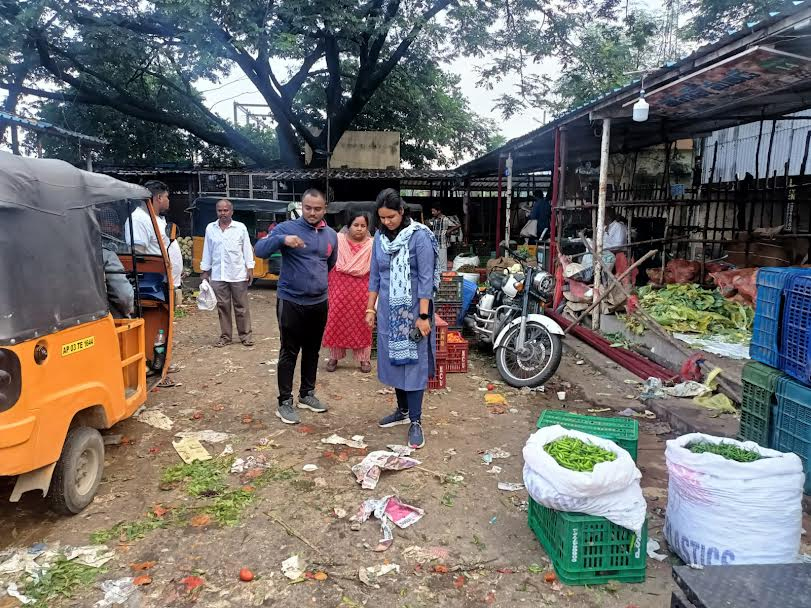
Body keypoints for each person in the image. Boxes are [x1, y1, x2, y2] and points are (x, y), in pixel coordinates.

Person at [255, 189, 337, 425]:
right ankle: (284, 402)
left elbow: (329, 264)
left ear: (325, 209)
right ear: (302, 206)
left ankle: (307, 394)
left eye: (317, 208)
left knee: (312, 350)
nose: (312, 213)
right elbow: (259, 250)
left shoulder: (330, 235)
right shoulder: (286, 229)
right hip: (291, 301)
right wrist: (281, 240)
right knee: (289, 351)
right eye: (307, 208)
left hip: (319, 302)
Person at [366, 189, 440, 450]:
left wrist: (422, 316)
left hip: (413, 312)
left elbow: (426, 279)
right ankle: (402, 410)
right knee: (395, 362)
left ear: (402, 212)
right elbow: (374, 275)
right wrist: (370, 309)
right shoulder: (379, 237)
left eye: (391, 217)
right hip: (388, 311)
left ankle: (416, 421)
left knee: (414, 363)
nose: (386, 222)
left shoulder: (419, 237)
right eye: (382, 218)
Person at [322, 210, 374, 373]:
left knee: (363, 323)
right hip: (339, 288)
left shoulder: (373, 244)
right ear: (348, 226)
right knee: (336, 320)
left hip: (362, 290)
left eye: (363, 226)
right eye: (356, 225)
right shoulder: (338, 240)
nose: (359, 229)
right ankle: (334, 356)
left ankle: (364, 359)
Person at [200, 199, 255, 348]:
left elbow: (247, 249)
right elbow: (207, 251)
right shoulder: (210, 228)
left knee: (241, 306)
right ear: (216, 211)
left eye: (226, 210)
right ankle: (225, 337)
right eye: (220, 210)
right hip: (218, 274)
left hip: (237, 273)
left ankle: (245, 336)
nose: (223, 213)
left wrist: (250, 268)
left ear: (231, 211)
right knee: (222, 307)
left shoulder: (240, 228)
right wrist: (205, 271)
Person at [125, 180, 170, 255]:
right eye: (167, 197)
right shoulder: (138, 219)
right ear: (159, 198)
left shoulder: (155, 218)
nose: (168, 200)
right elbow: (137, 253)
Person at [428, 204, 458, 271]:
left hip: (442, 243)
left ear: (439, 211)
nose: (432, 213)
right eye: (432, 211)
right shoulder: (434, 219)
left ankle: (443, 278)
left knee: (442, 263)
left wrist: (449, 230)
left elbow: (458, 224)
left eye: (434, 211)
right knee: (435, 262)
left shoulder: (446, 219)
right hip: (434, 243)